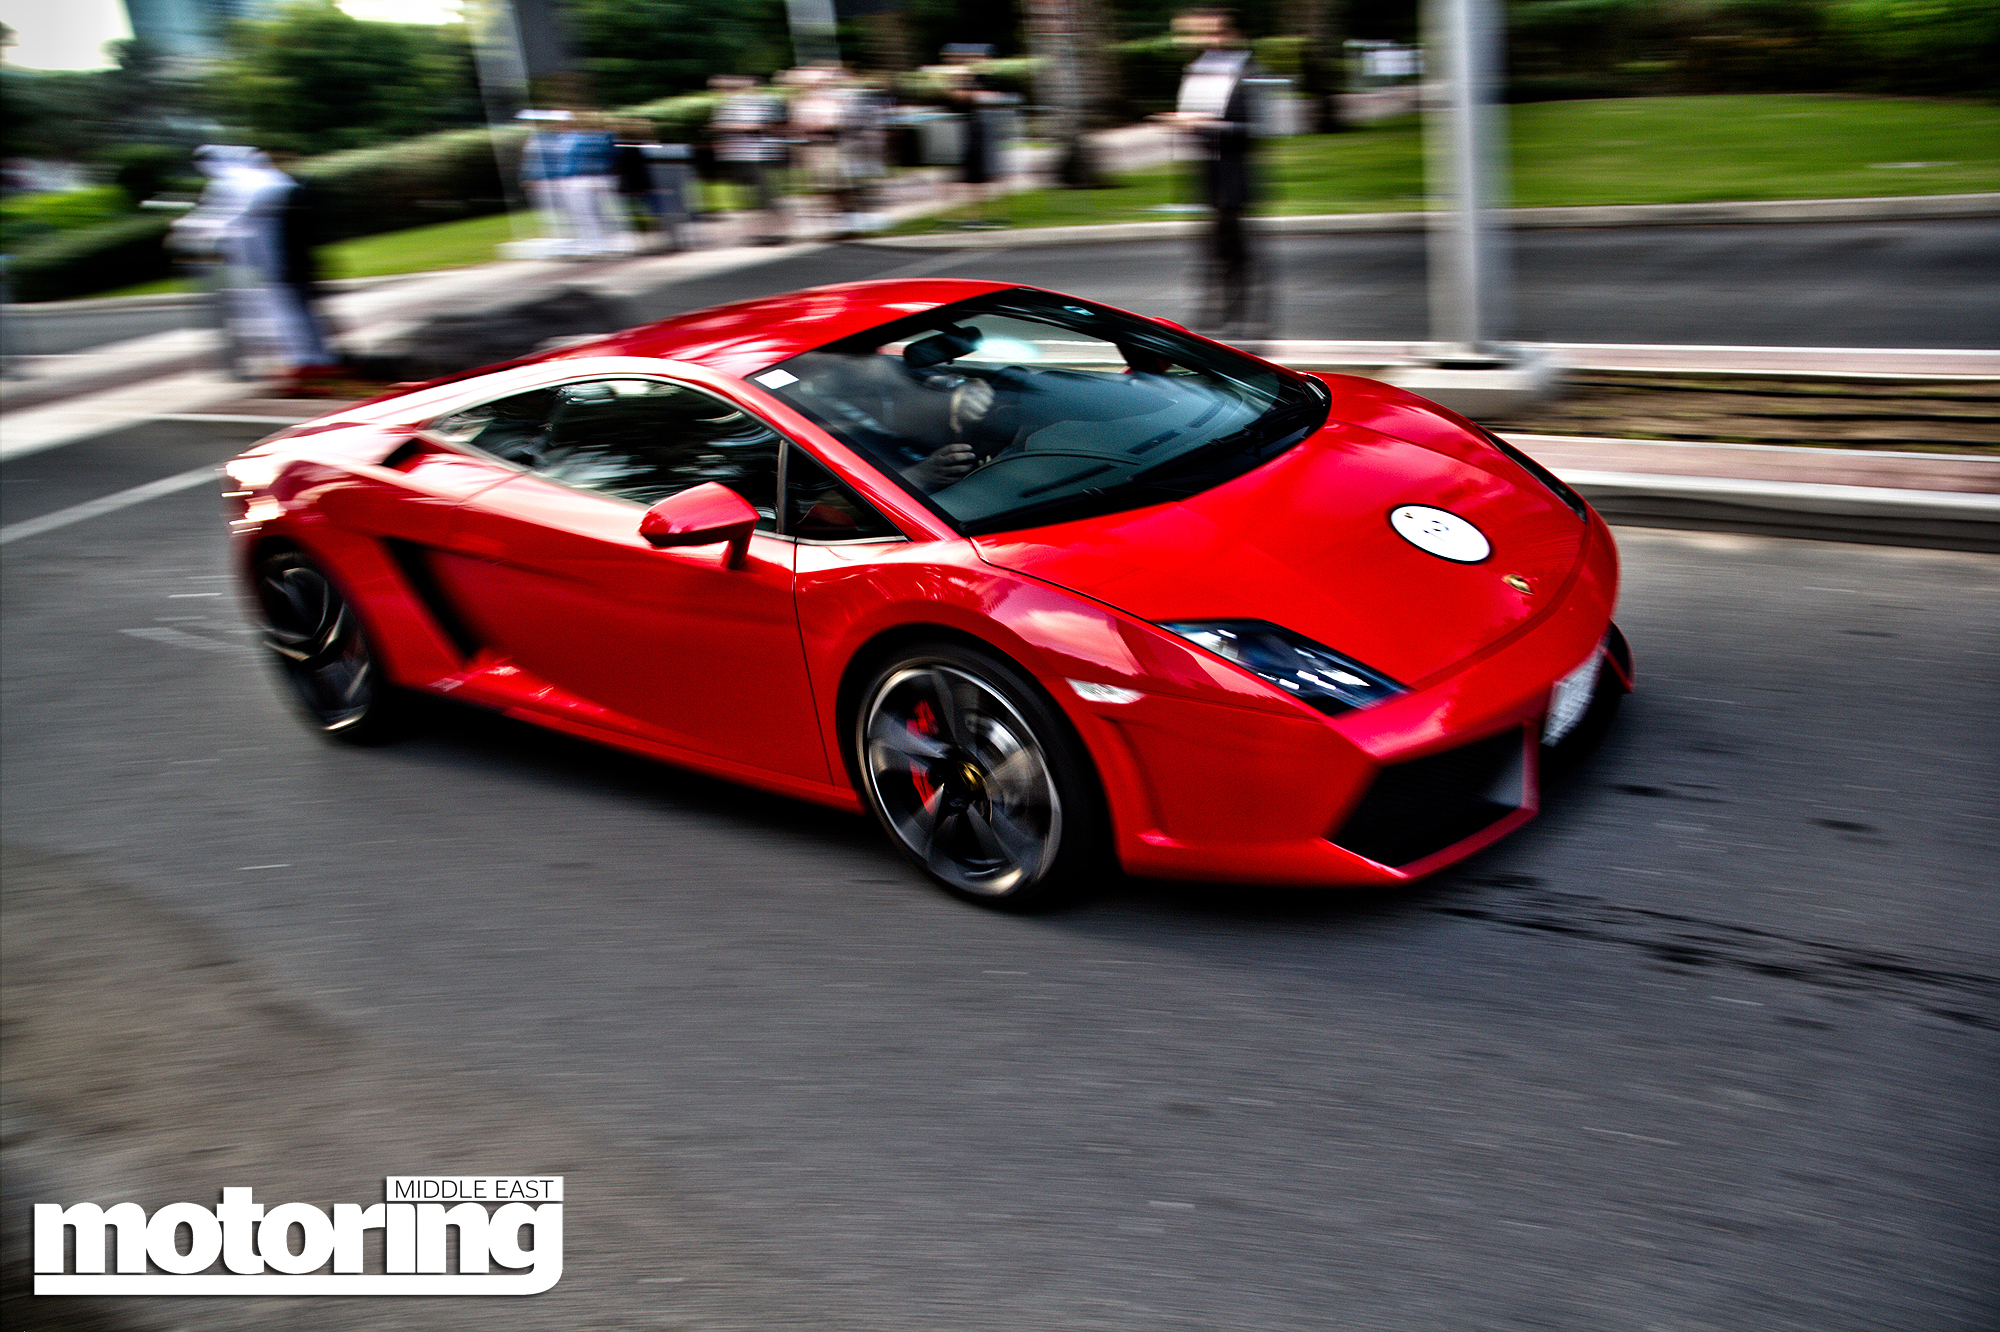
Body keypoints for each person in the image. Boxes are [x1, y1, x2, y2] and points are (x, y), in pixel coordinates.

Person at [1164, 8, 1270, 338]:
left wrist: (1206, 125)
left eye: (1215, 32)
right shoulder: (1199, 72)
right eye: (1203, 32)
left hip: (1234, 179)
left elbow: (1254, 129)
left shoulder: (1247, 72)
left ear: (1233, 35)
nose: (1207, 39)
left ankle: (1244, 326)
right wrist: (1187, 125)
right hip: (1209, 180)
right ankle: (1214, 323)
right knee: (1213, 255)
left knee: (1237, 258)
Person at [709, 75, 789, 245]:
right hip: (737, 155)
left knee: (766, 195)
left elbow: (770, 126)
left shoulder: (762, 103)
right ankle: (760, 233)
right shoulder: (727, 105)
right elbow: (717, 127)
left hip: (760, 156)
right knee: (747, 197)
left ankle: (778, 231)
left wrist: (738, 128)